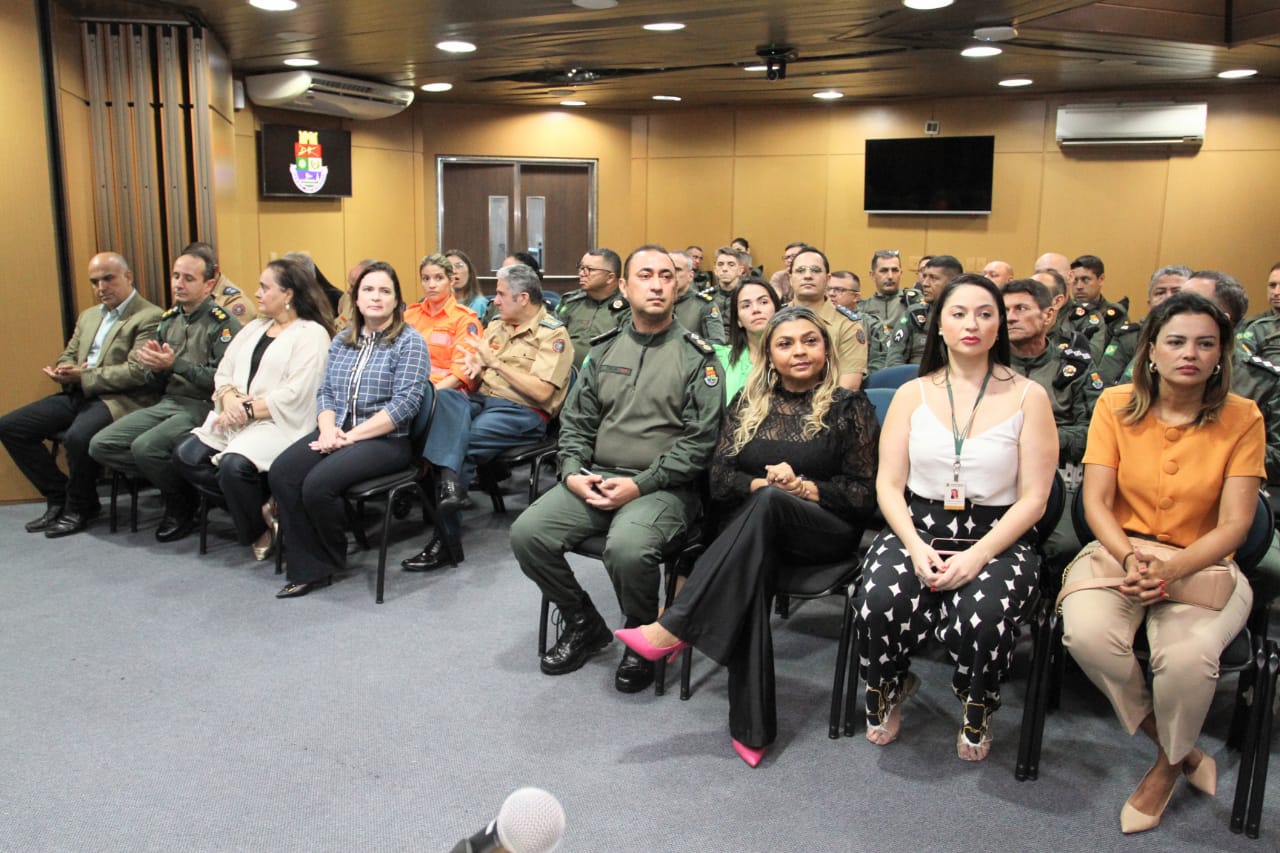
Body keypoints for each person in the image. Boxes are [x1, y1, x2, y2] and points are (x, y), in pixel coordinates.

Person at [615, 306, 879, 766]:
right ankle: (751, 730)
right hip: (756, 531)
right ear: (770, 355)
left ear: (826, 348)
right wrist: (762, 483)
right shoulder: (748, 402)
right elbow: (718, 479)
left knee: (767, 509)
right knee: (751, 559)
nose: (799, 351)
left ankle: (676, 622)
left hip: (822, 532)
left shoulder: (848, 407)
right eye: (786, 343)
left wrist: (802, 488)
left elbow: (864, 494)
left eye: (810, 341)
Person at [1060, 291, 1264, 834]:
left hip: (1204, 561)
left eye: (1205, 344)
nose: (1190, 354)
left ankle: (1166, 768)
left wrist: (1171, 570)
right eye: (1175, 341)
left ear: (1221, 355)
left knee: (1187, 659)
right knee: (1086, 636)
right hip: (1119, 551)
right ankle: (1181, 750)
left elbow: (1236, 525)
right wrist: (1130, 557)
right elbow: (1095, 503)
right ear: (1150, 350)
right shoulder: (1115, 405)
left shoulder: (1243, 417)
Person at [854, 273, 1057, 761]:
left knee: (984, 616)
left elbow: (1035, 499)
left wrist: (979, 555)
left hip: (998, 534)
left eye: (985, 314)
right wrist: (913, 545)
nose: (972, 324)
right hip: (918, 526)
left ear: (999, 326)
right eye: (959, 314)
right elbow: (888, 485)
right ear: (939, 325)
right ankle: (891, 685)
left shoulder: (1029, 396)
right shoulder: (911, 394)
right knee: (879, 598)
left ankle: (976, 700)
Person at [510, 245, 724, 694]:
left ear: (677, 286)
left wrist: (639, 485)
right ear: (625, 287)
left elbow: (699, 443)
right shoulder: (605, 349)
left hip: (664, 488)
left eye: (666, 276)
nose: (657, 285)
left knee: (627, 549)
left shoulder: (698, 357)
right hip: (596, 477)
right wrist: (572, 471)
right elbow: (576, 422)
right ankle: (582, 621)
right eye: (645, 275)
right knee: (528, 533)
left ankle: (641, 634)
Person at [269, 261, 429, 598]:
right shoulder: (343, 340)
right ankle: (311, 560)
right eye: (368, 290)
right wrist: (328, 431)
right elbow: (325, 392)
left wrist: (349, 437)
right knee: (283, 472)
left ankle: (325, 558)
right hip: (339, 431)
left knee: (317, 485)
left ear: (397, 300)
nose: (376, 297)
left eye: (385, 291)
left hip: (387, 441)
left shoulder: (410, 342)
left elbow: (404, 405)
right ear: (356, 298)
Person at [401, 263, 574, 572]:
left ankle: (446, 542)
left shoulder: (553, 335)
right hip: (482, 400)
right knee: (443, 400)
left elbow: (542, 393)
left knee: (459, 444)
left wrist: (495, 364)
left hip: (521, 411)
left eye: (501, 294)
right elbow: (479, 366)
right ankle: (451, 488)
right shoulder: (497, 324)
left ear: (523, 298)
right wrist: (476, 366)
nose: (495, 300)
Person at [172, 258, 334, 559]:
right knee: (186, 456)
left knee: (233, 467)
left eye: (264, 287)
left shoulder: (311, 334)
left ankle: (256, 530)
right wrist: (230, 400)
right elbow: (224, 371)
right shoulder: (256, 328)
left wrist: (245, 411)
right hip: (235, 416)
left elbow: (297, 394)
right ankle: (264, 507)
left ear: (288, 294)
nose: (257, 293)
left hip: (281, 423)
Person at [0, 252, 162, 537]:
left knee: (77, 437)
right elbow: (70, 352)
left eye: (108, 279)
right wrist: (63, 369)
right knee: (12, 427)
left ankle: (81, 507)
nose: (101, 287)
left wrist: (84, 376)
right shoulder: (89, 316)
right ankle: (59, 496)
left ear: (128, 277)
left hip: (119, 399)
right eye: (95, 282)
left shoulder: (149, 316)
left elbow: (136, 372)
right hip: (80, 392)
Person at [88, 245, 241, 542]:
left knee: (145, 447)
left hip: (204, 406)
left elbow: (221, 382)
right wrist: (154, 368)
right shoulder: (170, 319)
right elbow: (155, 380)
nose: (178, 284)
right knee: (101, 445)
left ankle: (180, 505)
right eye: (175, 276)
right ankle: (185, 488)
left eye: (188, 278)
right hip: (169, 401)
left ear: (209, 284)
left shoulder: (223, 323)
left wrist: (175, 364)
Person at [787, 247, 868, 389]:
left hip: (830, 401)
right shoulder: (774, 320)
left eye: (815, 270)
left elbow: (849, 386)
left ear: (828, 279)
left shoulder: (847, 326)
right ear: (790, 279)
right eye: (800, 270)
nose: (808, 276)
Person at [404, 253, 481, 392]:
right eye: (425, 279)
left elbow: (460, 376)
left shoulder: (465, 320)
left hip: (444, 393)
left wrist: (428, 396)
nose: (431, 285)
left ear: (451, 281)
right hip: (406, 389)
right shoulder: (409, 315)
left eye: (439, 278)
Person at [884, 254, 963, 367]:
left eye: (933, 278)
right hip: (913, 375)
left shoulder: (965, 319)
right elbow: (894, 357)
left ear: (953, 283)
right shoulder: (914, 314)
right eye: (924, 276)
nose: (925, 283)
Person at [556, 248, 628, 366]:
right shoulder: (570, 302)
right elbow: (550, 335)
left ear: (610, 277)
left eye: (590, 269)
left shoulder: (628, 307)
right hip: (565, 371)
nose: (581, 274)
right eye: (581, 268)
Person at [713, 279, 780, 402]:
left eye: (763, 302)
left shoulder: (794, 357)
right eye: (746, 306)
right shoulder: (720, 359)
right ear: (738, 320)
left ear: (776, 309)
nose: (756, 309)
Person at [671, 249, 726, 344]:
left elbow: (718, 342)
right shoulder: (655, 302)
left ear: (690, 276)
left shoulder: (704, 304)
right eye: (667, 270)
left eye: (677, 270)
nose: (671, 274)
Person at [445, 248, 488, 316]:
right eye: (449, 268)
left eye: (459, 266)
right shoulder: (438, 303)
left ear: (469, 271)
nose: (454, 271)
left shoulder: (479, 304)